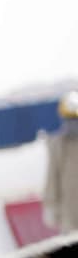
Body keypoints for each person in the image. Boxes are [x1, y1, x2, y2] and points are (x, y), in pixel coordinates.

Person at [43, 90, 78, 234]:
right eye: (69, 120)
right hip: (69, 212)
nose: (72, 124)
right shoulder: (58, 144)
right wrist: (51, 205)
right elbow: (53, 175)